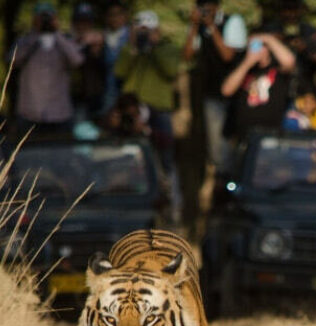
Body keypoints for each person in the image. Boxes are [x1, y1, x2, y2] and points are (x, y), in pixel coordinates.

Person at [115, 10, 183, 224]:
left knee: (166, 158)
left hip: (159, 111)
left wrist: (154, 47)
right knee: (129, 157)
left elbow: (171, 71)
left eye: (148, 30)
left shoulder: (168, 48)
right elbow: (119, 73)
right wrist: (133, 47)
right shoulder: (130, 49)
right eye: (141, 30)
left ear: (157, 31)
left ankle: (173, 206)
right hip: (132, 109)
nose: (144, 34)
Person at [183, 0, 248, 172]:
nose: (205, 10)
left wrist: (212, 27)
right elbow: (188, 55)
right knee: (216, 144)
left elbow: (227, 55)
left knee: (236, 138)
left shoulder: (232, 21)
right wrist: (195, 27)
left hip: (236, 94)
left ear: (217, 6)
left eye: (208, 5)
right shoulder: (199, 26)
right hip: (211, 92)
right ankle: (221, 179)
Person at [8, 2, 84, 137]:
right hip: (30, 113)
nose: (45, 21)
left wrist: (57, 33)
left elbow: (77, 60)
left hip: (60, 113)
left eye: (48, 17)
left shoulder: (64, 41)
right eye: (41, 17)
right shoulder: (24, 41)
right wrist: (36, 35)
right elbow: (12, 61)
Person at [221, 33, 296, 142]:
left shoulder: (278, 71)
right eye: (253, 46)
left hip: (271, 136)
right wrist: (248, 62)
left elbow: (290, 62)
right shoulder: (243, 70)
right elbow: (226, 90)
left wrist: (267, 38)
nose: (257, 49)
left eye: (261, 45)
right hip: (244, 136)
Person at [70, 3, 107, 121]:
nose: (83, 25)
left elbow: (106, 67)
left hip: (94, 97)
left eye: (86, 21)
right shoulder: (66, 40)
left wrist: (97, 49)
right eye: (79, 21)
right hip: (71, 97)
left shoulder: (99, 40)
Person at [102, 2, 131, 114]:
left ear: (125, 16)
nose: (114, 18)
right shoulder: (101, 36)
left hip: (128, 91)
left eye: (118, 14)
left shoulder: (132, 35)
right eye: (111, 15)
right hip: (107, 90)